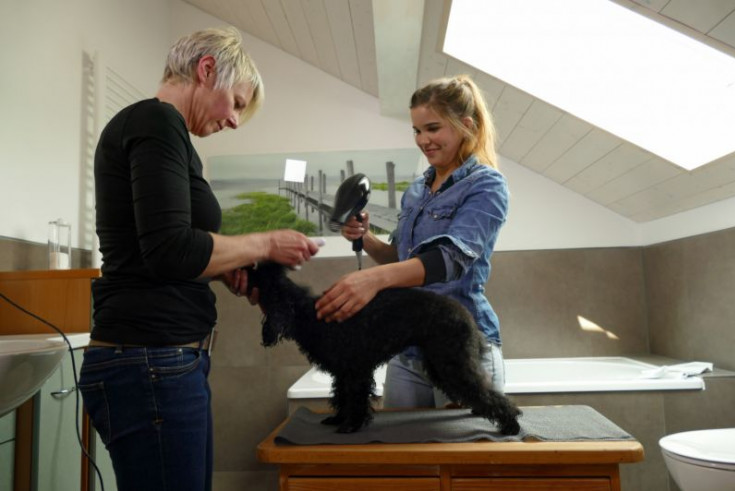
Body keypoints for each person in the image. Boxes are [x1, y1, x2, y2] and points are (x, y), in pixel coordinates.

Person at [79, 26, 319, 491]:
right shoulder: (156, 121)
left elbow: (161, 246)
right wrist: (265, 243)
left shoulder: (168, 134)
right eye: (237, 103)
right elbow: (170, 250)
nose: (234, 121)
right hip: (150, 360)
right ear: (207, 70)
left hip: (163, 361)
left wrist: (224, 267)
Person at [315, 74, 509, 409]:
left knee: (464, 445)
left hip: (461, 345)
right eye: (417, 131)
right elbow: (403, 262)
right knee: (401, 442)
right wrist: (366, 238)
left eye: (432, 128)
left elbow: (450, 259)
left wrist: (372, 280)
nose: (423, 140)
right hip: (407, 349)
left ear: (465, 125)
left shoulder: (486, 185)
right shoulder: (417, 190)